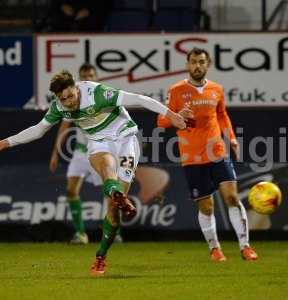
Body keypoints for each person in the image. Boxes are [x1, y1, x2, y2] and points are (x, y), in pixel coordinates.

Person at [0, 70, 186, 276]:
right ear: (57, 98)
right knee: (107, 170)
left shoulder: (97, 93)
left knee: (113, 213)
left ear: (76, 88)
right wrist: (5, 143)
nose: (69, 102)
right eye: (63, 99)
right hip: (99, 142)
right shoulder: (59, 107)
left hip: (125, 139)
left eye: (71, 96)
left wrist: (171, 115)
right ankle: (115, 209)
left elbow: (139, 99)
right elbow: (38, 129)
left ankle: (102, 248)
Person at [157, 47, 258, 262]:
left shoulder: (216, 89)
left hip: (217, 151)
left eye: (201, 62)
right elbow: (161, 121)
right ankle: (215, 248)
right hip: (192, 157)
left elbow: (222, 115)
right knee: (207, 206)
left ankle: (245, 246)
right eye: (193, 62)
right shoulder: (176, 91)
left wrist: (231, 139)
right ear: (187, 64)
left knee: (231, 197)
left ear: (208, 64)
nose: (197, 66)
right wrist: (176, 116)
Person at [49, 63, 123, 244]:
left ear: (96, 77)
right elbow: (64, 127)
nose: (88, 78)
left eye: (91, 75)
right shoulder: (71, 100)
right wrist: (55, 153)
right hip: (81, 153)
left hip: (102, 150)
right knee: (71, 190)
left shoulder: (100, 97)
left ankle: (115, 231)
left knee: (110, 193)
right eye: (84, 75)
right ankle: (81, 234)